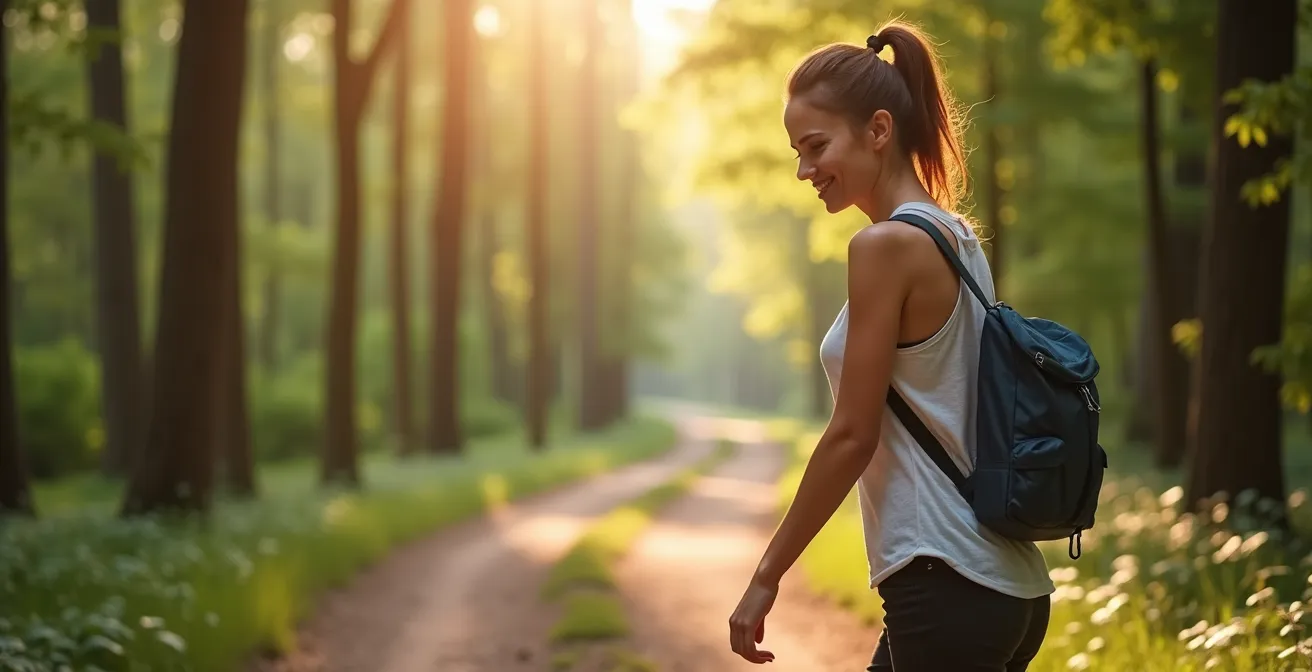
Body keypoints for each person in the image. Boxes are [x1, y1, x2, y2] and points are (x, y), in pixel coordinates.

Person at [726, 20, 1055, 672]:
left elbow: (853, 434)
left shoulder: (883, 247)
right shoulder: (955, 237)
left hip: (945, 578)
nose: (803, 169)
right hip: (1006, 584)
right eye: (796, 151)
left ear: (878, 130)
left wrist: (767, 573)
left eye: (816, 146)